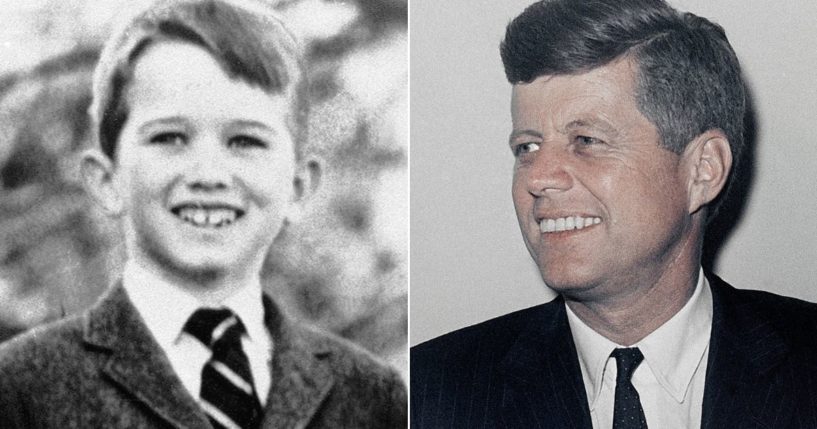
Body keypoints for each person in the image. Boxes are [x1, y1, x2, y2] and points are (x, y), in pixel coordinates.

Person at [411, 0, 817, 428]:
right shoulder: (431, 393)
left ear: (703, 170)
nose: (539, 178)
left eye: (586, 140)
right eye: (527, 147)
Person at [0, 0, 406, 427]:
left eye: (246, 141)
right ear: (107, 180)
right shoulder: (22, 387)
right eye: (170, 137)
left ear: (297, 187)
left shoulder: (370, 395)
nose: (209, 175)